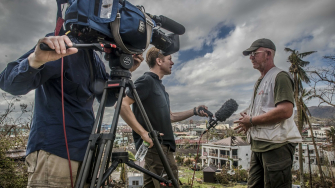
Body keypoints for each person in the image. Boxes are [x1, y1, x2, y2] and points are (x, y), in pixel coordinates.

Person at [0, 34, 144, 187]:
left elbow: (106, 99)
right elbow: (9, 83)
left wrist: (122, 72)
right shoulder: (63, 45)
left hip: (86, 151)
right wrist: (36, 59)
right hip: (57, 151)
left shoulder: (94, 58)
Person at [120, 47, 208, 188]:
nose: (172, 63)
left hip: (162, 146)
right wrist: (143, 133)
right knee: (170, 184)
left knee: (150, 185)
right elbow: (122, 104)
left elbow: (171, 117)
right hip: (156, 145)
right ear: (159, 61)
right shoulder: (146, 80)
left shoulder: (161, 88)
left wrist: (195, 111)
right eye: (170, 59)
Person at [234, 38, 302, 188]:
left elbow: (285, 110)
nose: (251, 57)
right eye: (250, 54)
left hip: (276, 147)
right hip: (258, 146)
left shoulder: (280, 76)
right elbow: (260, 110)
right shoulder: (260, 81)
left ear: (268, 54)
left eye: (254, 53)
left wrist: (251, 121)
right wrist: (248, 122)